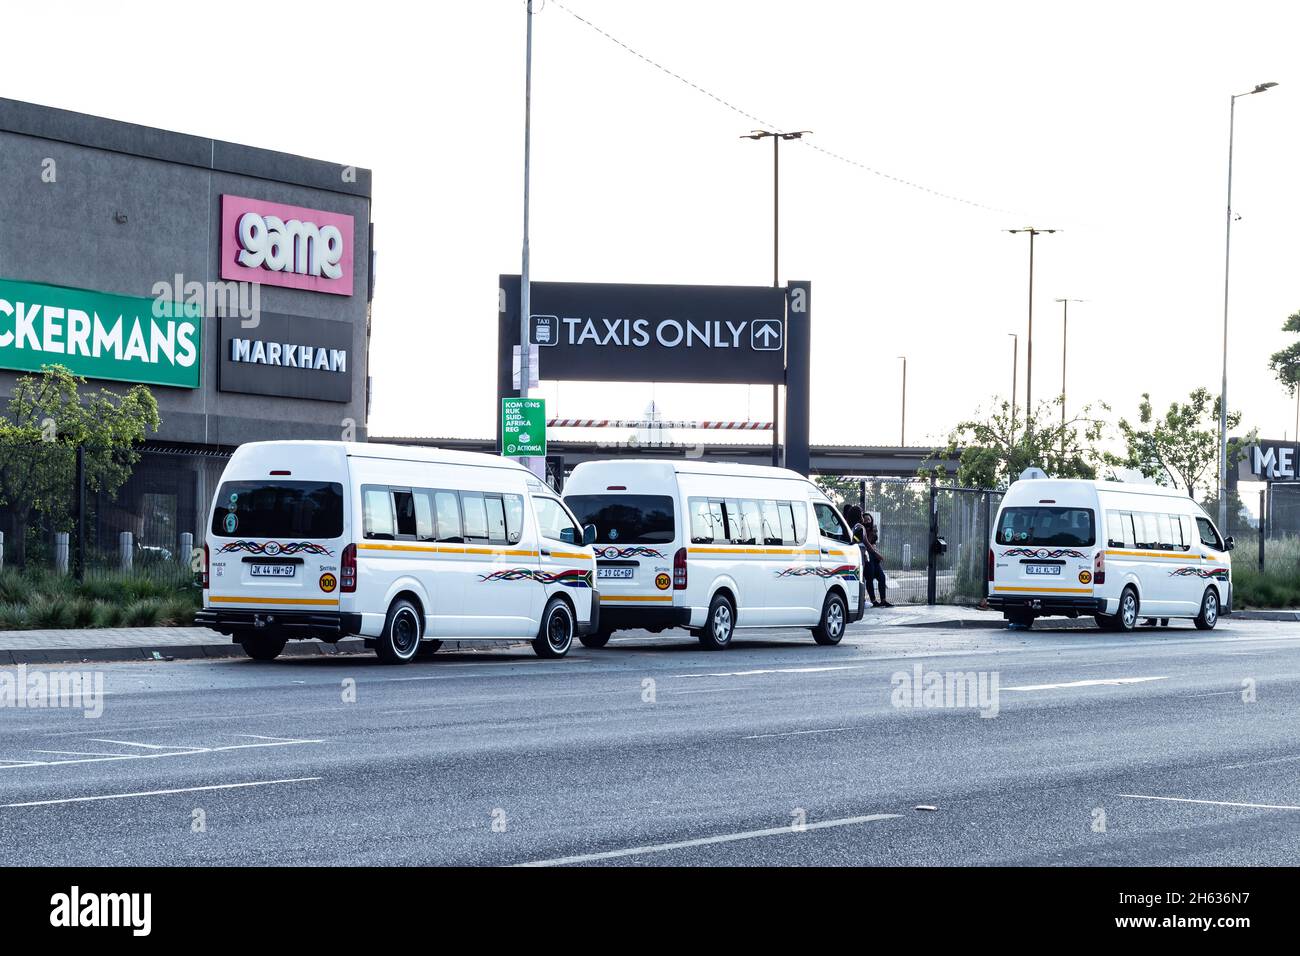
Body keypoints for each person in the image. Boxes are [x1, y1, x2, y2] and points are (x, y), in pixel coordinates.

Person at [861, 512, 891, 607]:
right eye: (865, 520)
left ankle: (883, 600)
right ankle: (873, 601)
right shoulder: (862, 530)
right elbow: (867, 543)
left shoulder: (873, 530)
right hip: (867, 556)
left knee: (881, 577)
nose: (867, 521)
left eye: (869, 519)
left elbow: (874, 543)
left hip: (873, 557)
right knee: (869, 578)